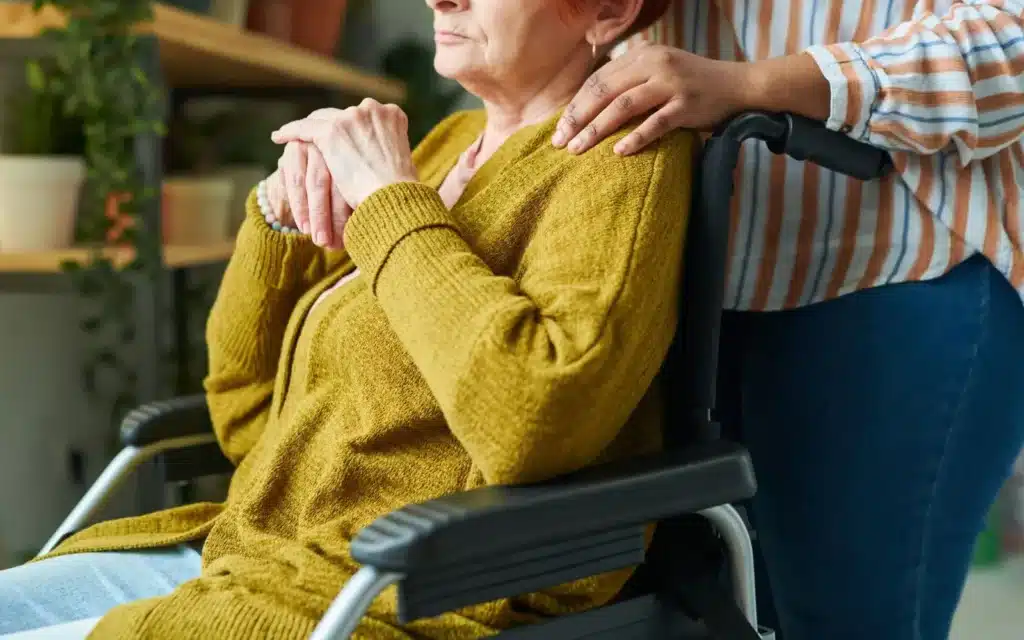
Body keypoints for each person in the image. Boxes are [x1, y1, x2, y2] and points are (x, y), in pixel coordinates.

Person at [0, 0, 691, 638]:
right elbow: (244, 415)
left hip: (394, 589)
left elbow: (536, 415)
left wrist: (389, 195)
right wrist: (280, 212)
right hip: (254, 551)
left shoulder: (621, 157)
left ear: (608, 7)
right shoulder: (451, 143)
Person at [544, 2, 1024, 639]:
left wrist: (752, 86)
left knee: (844, 625)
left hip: (899, 269)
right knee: (722, 619)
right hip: (696, 298)